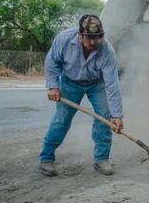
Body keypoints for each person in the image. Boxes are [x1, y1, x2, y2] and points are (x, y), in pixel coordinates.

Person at [39, 14, 124, 177]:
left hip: (97, 84)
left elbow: (112, 84)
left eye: (98, 37)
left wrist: (117, 115)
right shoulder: (63, 40)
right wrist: (53, 86)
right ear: (80, 34)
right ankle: (46, 158)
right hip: (70, 82)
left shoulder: (107, 50)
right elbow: (52, 62)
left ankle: (102, 159)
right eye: (90, 38)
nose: (94, 42)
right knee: (61, 119)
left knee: (104, 118)